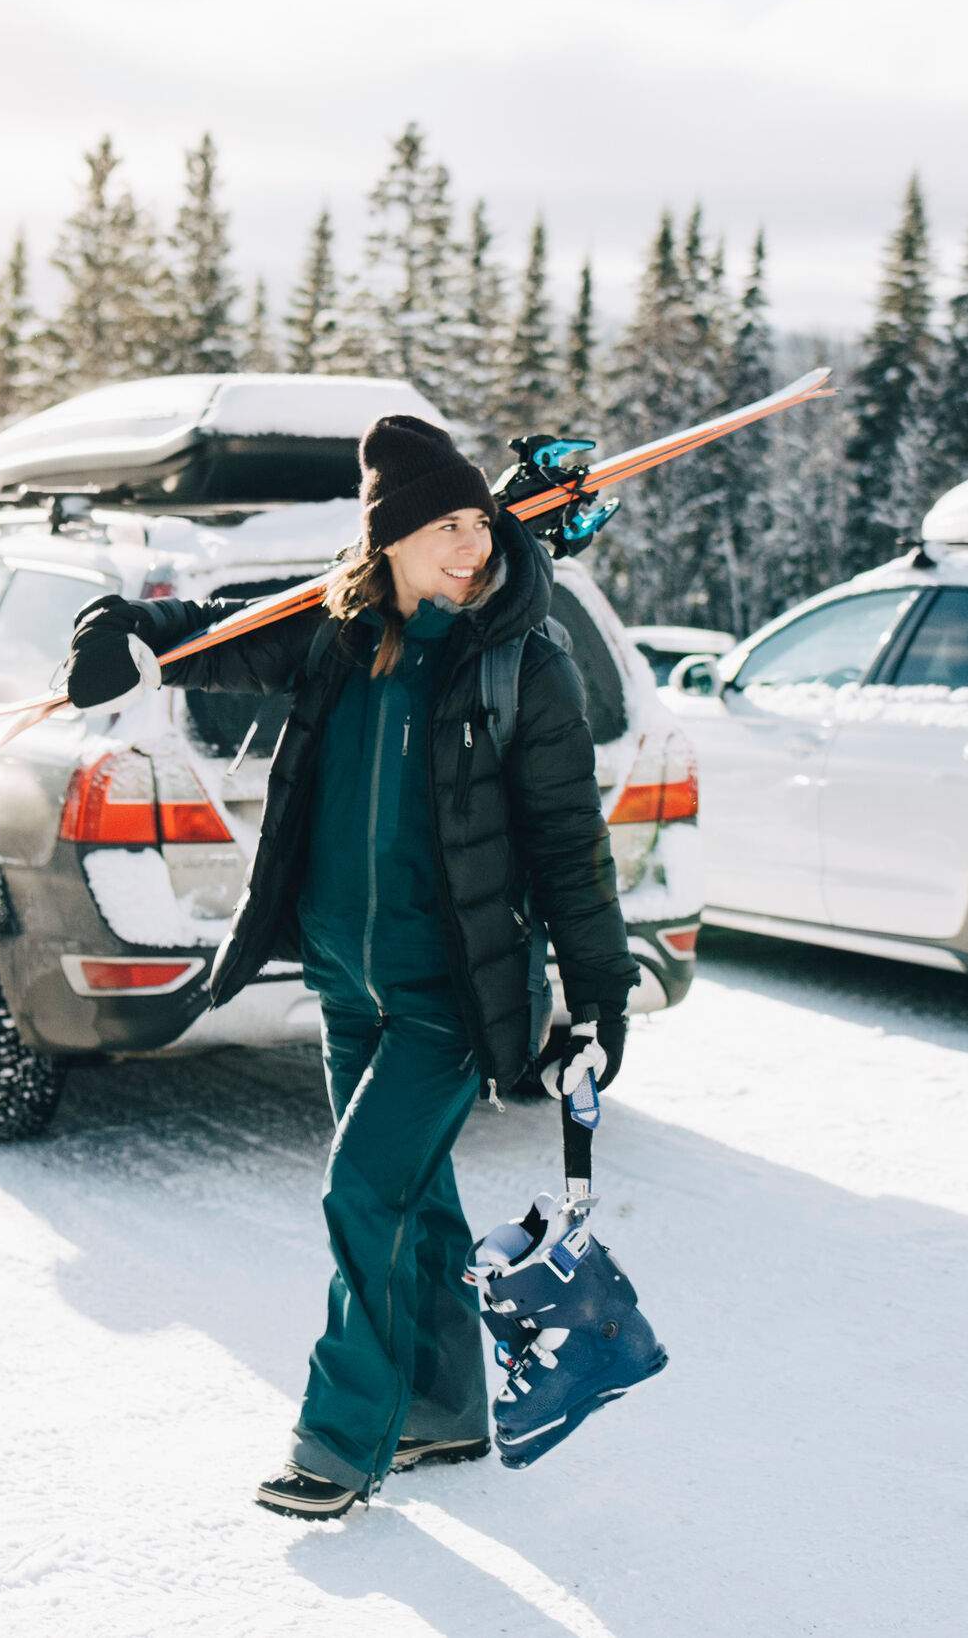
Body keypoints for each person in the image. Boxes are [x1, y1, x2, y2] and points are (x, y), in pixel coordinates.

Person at [62, 413, 636, 1521]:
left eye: (480, 522)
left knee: (361, 1192)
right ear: (389, 543)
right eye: (443, 527)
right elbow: (209, 637)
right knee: (413, 1203)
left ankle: (338, 1441)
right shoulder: (339, 633)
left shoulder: (523, 661)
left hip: (453, 997)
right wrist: (119, 624)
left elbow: (573, 848)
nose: (471, 546)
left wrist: (597, 1001)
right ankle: (444, 1409)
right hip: (345, 980)